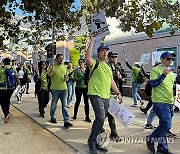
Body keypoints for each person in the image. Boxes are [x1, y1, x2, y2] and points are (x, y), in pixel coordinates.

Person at [85, 33, 123, 154]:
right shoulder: (95, 63)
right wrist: (92, 40)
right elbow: (87, 58)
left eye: (106, 51)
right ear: (98, 53)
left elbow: (111, 81)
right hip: (95, 94)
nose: (105, 52)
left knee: (101, 120)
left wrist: (118, 93)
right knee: (100, 118)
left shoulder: (107, 66)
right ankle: (91, 141)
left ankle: (96, 141)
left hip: (106, 96)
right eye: (103, 50)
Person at [146, 51, 176, 154]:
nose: (170, 60)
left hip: (170, 102)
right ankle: (151, 139)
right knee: (167, 125)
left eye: (172, 59)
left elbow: (170, 86)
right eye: (168, 58)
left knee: (163, 125)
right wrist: (163, 75)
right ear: (162, 59)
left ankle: (162, 148)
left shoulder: (171, 72)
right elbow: (153, 84)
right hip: (160, 102)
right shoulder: (156, 70)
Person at [48, 54, 73, 129]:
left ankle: (66, 120)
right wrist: (51, 72)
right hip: (55, 89)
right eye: (59, 58)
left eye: (62, 58)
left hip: (64, 88)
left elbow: (66, 76)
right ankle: (53, 117)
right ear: (56, 59)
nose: (61, 60)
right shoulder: (52, 67)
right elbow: (48, 75)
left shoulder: (64, 67)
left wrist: (67, 79)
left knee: (64, 105)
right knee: (54, 104)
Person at [103, 51, 121, 141]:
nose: (114, 58)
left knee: (107, 113)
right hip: (107, 92)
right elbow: (108, 78)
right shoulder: (107, 66)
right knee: (110, 113)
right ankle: (113, 133)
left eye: (116, 57)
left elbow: (121, 78)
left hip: (115, 92)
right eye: (113, 57)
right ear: (109, 57)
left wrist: (121, 76)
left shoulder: (116, 67)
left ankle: (99, 126)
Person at [0, 58, 20, 123]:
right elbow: (17, 78)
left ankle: (6, 114)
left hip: (3, 88)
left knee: (2, 102)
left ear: (3, 62)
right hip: (11, 88)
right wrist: (19, 86)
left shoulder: (1, 69)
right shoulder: (13, 69)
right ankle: (7, 113)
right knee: (7, 100)